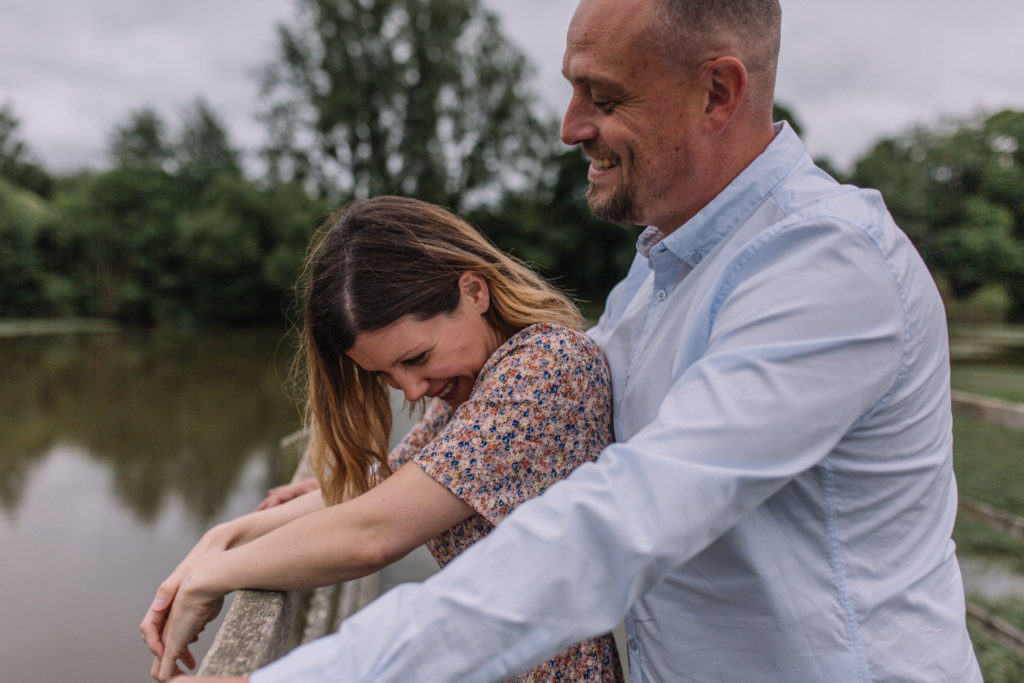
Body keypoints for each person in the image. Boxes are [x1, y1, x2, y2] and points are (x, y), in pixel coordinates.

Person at [211, 0, 983, 681]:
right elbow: (522, 434)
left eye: (602, 96)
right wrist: (337, 490)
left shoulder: (825, 263)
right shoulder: (656, 273)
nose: (569, 126)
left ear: (718, 91)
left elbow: (620, 518)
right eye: (573, 88)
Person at [140, 196, 624, 683]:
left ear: (474, 290)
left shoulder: (545, 368)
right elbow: (384, 488)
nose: (411, 390)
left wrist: (212, 577)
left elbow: (373, 533)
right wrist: (226, 536)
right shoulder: (481, 383)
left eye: (416, 358)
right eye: (385, 374)